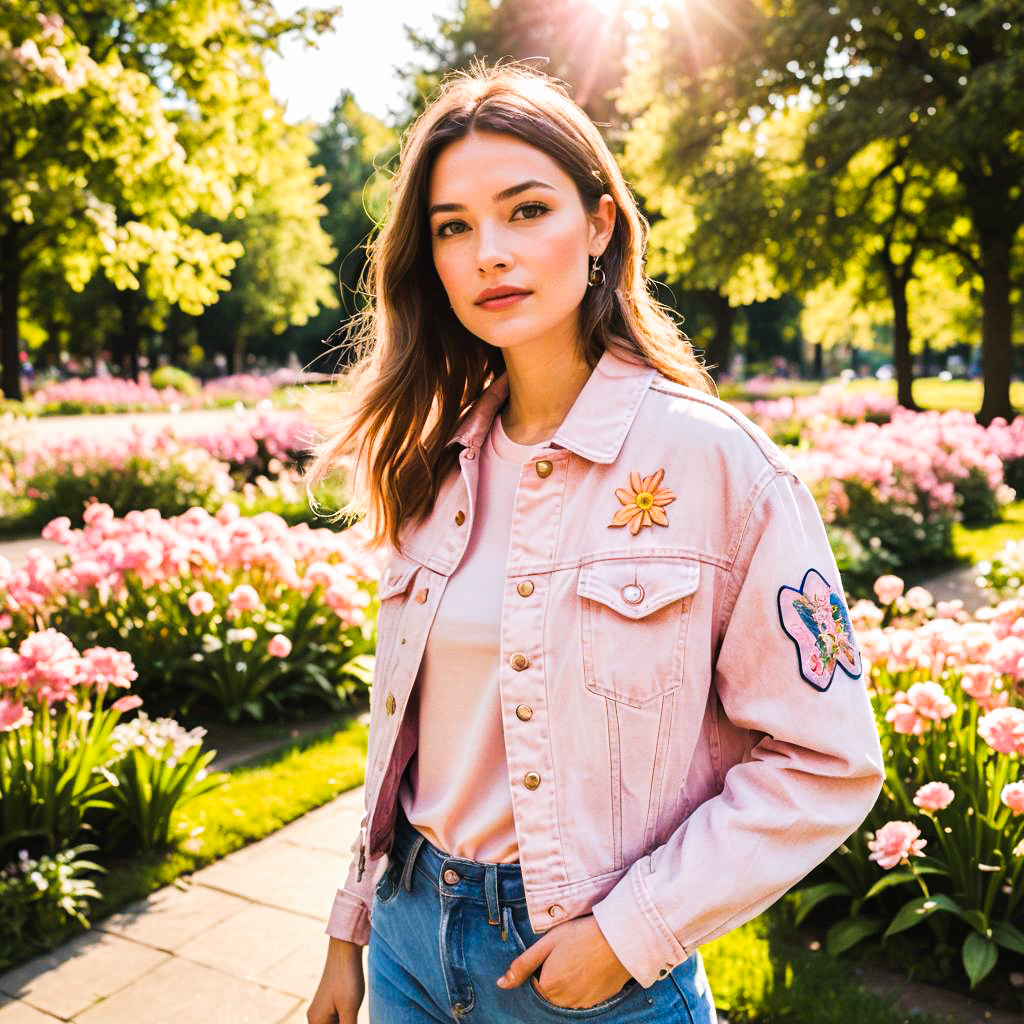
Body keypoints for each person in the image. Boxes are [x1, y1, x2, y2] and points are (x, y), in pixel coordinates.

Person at [303, 60, 885, 1024]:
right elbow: (402, 738)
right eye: (454, 227)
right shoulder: (433, 465)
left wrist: (630, 935)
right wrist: (349, 930)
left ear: (601, 224)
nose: (490, 252)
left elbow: (828, 760)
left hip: (581, 973)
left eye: (526, 210)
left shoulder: (719, 466)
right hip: (408, 941)